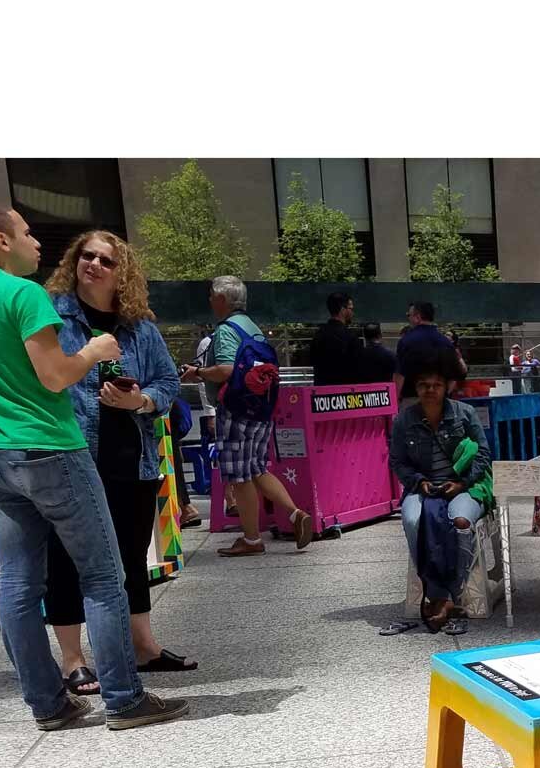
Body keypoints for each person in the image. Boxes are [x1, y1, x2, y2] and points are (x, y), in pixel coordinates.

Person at [0, 202, 187, 731]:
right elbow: (54, 376)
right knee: (102, 576)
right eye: (26, 232)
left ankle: (48, 704)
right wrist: (93, 352)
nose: (37, 243)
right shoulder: (25, 294)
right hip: (52, 447)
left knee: (20, 586)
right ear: (1, 240)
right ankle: (123, 697)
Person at [40, 229, 197, 693]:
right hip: (72, 457)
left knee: (131, 557)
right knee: (66, 559)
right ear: (74, 261)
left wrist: (143, 402)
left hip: (133, 459)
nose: (94, 265)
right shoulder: (52, 318)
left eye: (106, 260)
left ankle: (143, 646)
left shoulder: (140, 328)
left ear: (120, 270)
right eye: (86, 256)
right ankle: (72, 659)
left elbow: (168, 382)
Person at [180, 276, 315, 552]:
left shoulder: (226, 330)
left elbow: (227, 370)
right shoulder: (252, 328)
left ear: (221, 300)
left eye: (211, 296)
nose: (209, 301)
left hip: (236, 410)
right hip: (260, 409)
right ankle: (295, 514)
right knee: (256, 468)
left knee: (240, 477)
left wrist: (198, 373)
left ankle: (252, 539)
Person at [386, 353, 494, 633]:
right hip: (422, 486)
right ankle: (434, 588)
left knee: (459, 521)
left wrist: (461, 483)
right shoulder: (403, 420)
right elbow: (398, 461)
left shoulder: (464, 414)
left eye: (436, 385)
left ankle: (454, 591)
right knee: (412, 520)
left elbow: (484, 453)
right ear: (416, 388)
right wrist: (418, 481)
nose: (430, 390)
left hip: (465, 485)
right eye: (423, 385)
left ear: (446, 387)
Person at [394, 301, 466, 394]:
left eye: (409, 315)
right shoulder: (446, 342)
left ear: (417, 317)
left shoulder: (406, 341)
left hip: (412, 398)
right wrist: (444, 394)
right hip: (438, 399)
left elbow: (399, 375)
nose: (409, 318)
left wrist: (396, 400)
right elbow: (457, 373)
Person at [310, 291, 361, 386]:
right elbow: (357, 368)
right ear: (342, 309)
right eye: (350, 308)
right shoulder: (350, 337)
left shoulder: (318, 335)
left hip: (322, 394)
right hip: (345, 393)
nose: (352, 312)